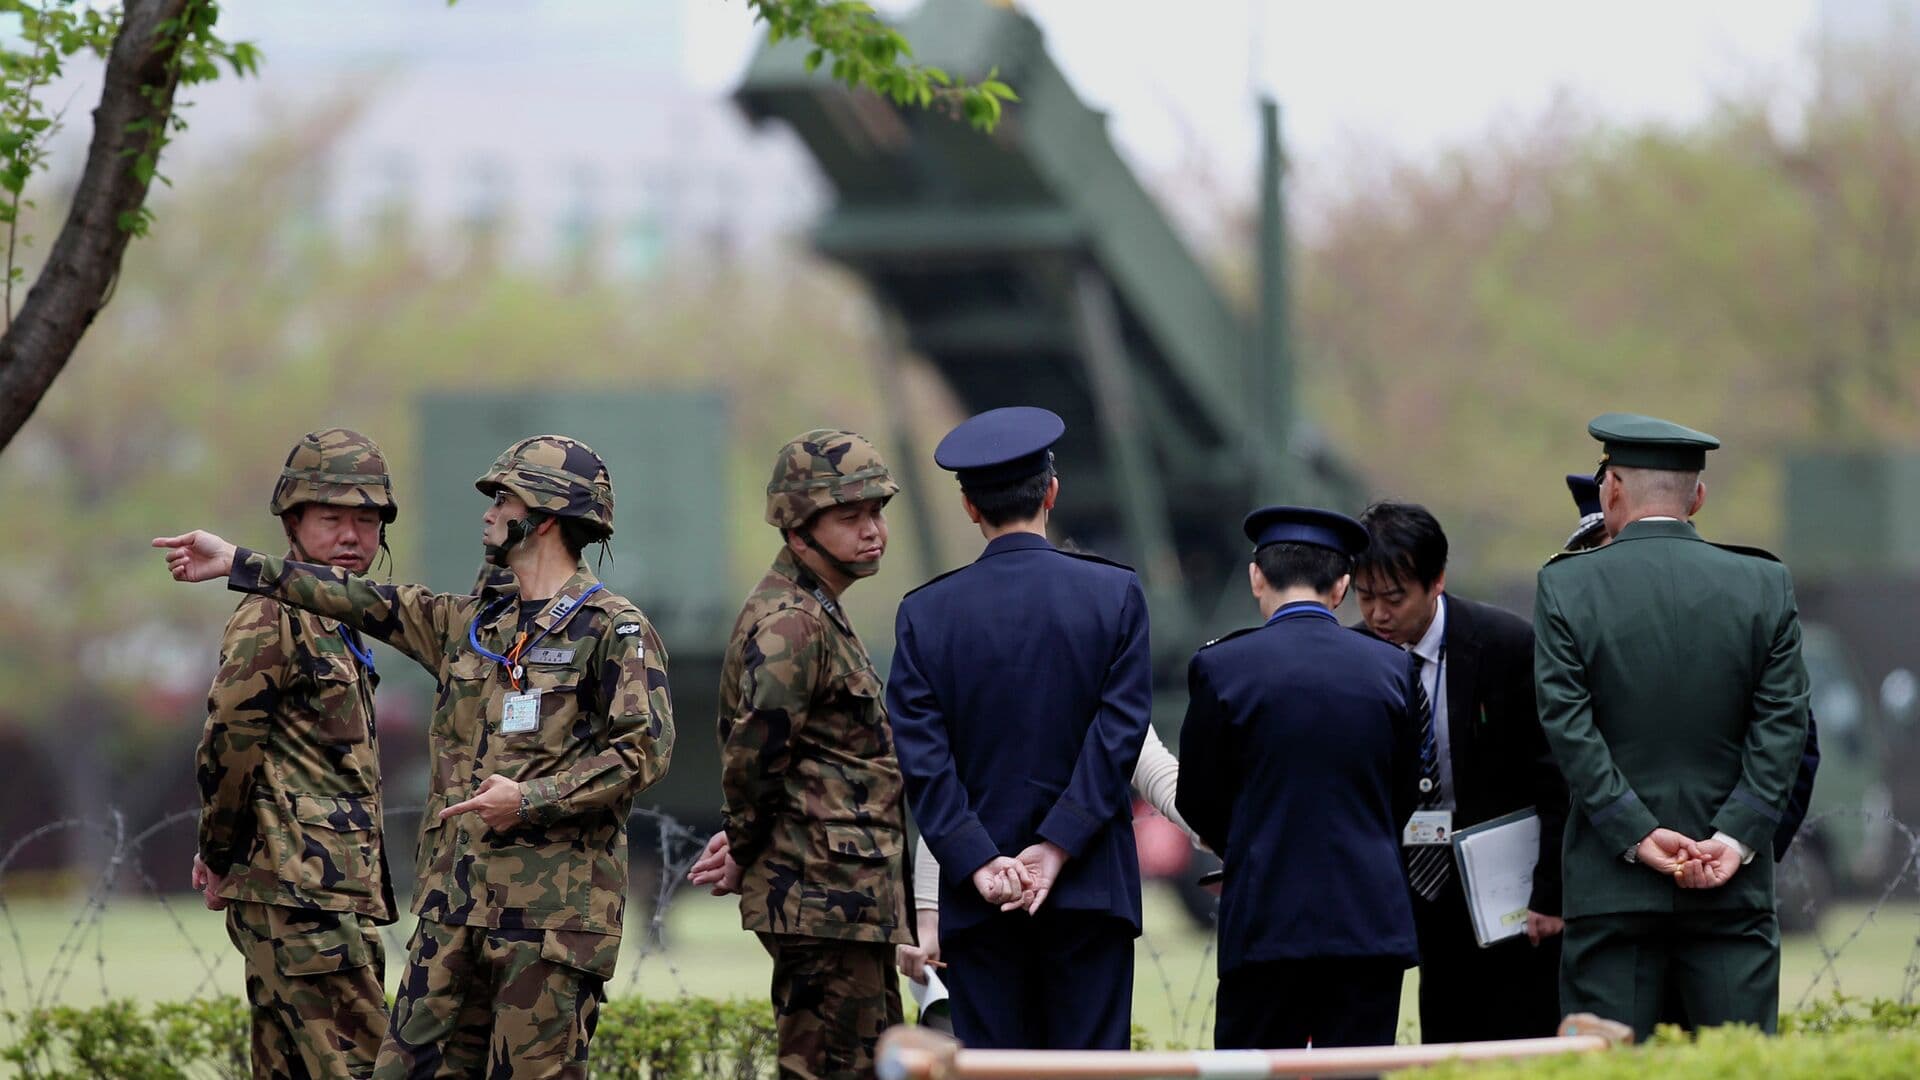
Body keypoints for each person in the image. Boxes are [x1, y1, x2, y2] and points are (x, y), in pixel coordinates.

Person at [157, 434, 675, 1078]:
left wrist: (532, 799)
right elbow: (357, 599)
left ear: (543, 518)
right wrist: (237, 560)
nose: (487, 514)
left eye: (502, 501)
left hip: (551, 924)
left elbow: (642, 752)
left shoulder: (613, 630)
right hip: (452, 917)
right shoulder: (472, 626)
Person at [1535, 413, 1810, 1040]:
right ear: (1699, 497)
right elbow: (1784, 727)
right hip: (1730, 892)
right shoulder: (1764, 584)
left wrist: (1636, 832)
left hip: (1612, 888)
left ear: (1610, 490)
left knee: (1607, 1067)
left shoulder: (1566, 585)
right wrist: (1734, 838)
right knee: (1736, 1064)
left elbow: (1569, 730)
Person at [887, 406, 1153, 1051]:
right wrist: (1058, 845)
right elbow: (1118, 738)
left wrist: (979, 861)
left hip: (980, 905)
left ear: (969, 507)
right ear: (1051, 492)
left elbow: (924, 760)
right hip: (1091, 890)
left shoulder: (925, 614)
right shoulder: (1114, 596)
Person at [687, 430, 912, 1080]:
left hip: (841, 894)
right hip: (823, 897)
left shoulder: (815, 612)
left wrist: (746, 839)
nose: (873, 530)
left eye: (877, 513)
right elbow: (756, 756)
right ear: (796, 527)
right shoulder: (791, 623)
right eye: (851, 516)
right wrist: (748, 842)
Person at [1177, 506, 1423, 1050]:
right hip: (1368, 922)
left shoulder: (1220, 668)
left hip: (1264, 918)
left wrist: (1245, 839)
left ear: (1256, 576)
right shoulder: (1393, 668)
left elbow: (1196, 797)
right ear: (1341, 586)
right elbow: (1404, 792)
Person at [196, 428, 398, 1080]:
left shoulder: (337, 618)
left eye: (367, 520)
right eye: (332, 518)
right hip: (300, 897)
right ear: (292, 521)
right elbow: (230, 738)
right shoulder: (273, 616)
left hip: (329, 896)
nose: (351, 536)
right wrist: (220, 851)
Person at [1351, 501, 1569, 1042]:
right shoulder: (1352, 655)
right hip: (1400, 880)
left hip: (1500, 888)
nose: (1378, 615)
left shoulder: (1504, 645)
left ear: (1437, 582)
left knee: (1515, 1037)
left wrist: (1550, 894)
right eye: (1365, 597)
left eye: (1394, 598)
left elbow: (1555, 779)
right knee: (1438, 1042)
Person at [1562, 472, 1819, 861]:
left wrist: (1739, 843)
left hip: (1720, 865)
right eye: (1601, 554)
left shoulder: (1732, 614)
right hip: (1603, 872)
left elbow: (1792, 742)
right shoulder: (1569, 627)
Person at [895, 727, 1199, 983]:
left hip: (1080, 916)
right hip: (990, 911)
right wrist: (927, 915)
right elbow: (947, 794)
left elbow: (1149, 761)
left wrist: (1223, 836)